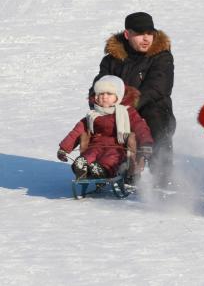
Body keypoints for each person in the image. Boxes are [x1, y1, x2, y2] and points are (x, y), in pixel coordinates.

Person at [90, 12, 175, 184]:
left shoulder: (161, 56)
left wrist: (129, 104)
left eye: (150, 33)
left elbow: (158, 87)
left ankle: (163, 173)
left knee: (155, 116)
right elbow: (101, 83)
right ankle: (106, 165)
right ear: (128, 34)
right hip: (118, 112)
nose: (146, 39)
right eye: (140, 34)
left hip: (154, 114)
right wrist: (97, 99)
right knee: (99, 120)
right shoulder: (111, 60)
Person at [57, 75, 154, 180]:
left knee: (111, 159)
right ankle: (81, 167)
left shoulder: (127, 113)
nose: (104, 97)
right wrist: (64, 149)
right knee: (88, 156)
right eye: (101, 94)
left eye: (109, 94)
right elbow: (76, 132)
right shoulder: (92, 115)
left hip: (118, 148)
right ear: (96, 97)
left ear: (118, 97)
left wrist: (146, 143)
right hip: (95, 146)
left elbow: (141, 128)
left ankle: (101, 170)